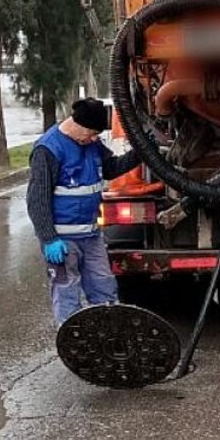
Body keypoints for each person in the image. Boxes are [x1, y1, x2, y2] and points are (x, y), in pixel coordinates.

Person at [26, 98, 141, 326]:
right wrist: (49, 239)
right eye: (91, 133)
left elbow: (110, 168)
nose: (95, 138)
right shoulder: (48, 150)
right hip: (62, 241)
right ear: (77, 124)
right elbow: (37, 200)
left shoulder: (90, 144)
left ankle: (108, 337)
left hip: (90, 237)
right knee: (67, 292)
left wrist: (141, 152)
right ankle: (74, 343)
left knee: (104, 287)